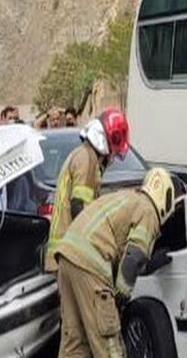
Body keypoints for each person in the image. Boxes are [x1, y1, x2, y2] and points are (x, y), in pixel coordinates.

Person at [49, 168, 175, 358]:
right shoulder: (148, 211)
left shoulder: (126, 198)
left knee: (74, 341)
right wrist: (120, 297)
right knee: (110, 348)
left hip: (67, 259)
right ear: (165, 197)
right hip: (90, 266)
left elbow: (122, 248)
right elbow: (133, 258)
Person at [45, 109, 129, 272]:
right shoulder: (87, 159)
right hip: (69, 254)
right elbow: (80, 208)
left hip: (64, 251)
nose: (111, 157)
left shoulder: (83, 154)